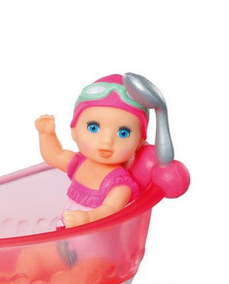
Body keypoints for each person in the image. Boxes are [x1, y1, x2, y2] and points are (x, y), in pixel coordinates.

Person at [35, 74, 148, 228]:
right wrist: (46, 135)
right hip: (66, 232)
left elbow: (111, 209)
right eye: (93, 128)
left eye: (123, 133)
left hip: (98, 237)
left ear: (139, 142)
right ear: (74, 131)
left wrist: (88, 218)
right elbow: (55, 156)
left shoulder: (119, 183)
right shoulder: (79, 163)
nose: (107, 141)